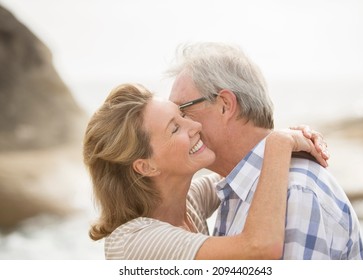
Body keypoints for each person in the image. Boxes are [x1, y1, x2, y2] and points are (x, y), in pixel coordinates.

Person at [83, 83, 328, 260]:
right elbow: (260, 248)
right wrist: (279, 142)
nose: (195, 126)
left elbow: (243, 171)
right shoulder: (136, 242)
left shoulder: (188, 203)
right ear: (146, 166)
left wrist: (293, 138)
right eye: (175, 128)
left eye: (182, 114)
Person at [167, 42, 363, 259]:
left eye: (183, 111)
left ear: (225, 104)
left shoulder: (295, 191)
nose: (181, 124)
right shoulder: (238, 184)